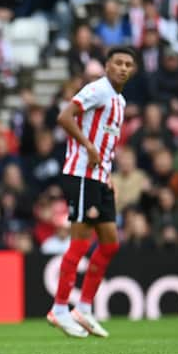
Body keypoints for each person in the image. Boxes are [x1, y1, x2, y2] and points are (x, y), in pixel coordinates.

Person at [47, 46, 136, 338]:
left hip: (99, 177)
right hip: (82, 174)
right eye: (118, 63)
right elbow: (64, 116)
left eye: (128, 64)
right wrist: (87, 145)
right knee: (81, 243)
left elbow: (107, 141)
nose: (123, 68)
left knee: (110, 244)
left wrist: (107, 173)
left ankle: (83, 308)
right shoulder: (98, 89)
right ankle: (59, 309)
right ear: (107, 65)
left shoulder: (119, 99)